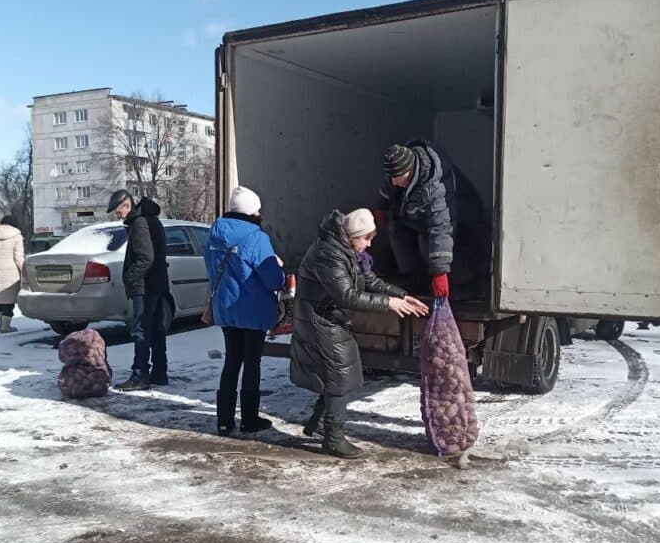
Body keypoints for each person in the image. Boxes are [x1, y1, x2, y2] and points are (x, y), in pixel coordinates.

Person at [291, 209, 428, 459]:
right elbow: (347, 295)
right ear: (352, 236)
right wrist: (388, 304)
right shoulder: (328, 253)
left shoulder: (347, 251)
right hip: (318, 320)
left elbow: (369, 281)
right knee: (339, 376)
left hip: (329, 318)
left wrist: (400, 295)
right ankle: (333, 438)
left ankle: (319, 423)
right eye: (366, 238)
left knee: (338, 373)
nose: (369, 243)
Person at [206, 186, 286, 437]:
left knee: (231, 362)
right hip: (253, 310)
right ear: (252, 210)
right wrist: (280, 267)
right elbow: (274, 280)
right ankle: (249, 419)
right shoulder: (256, 237)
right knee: (252, 363)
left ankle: (224, 420)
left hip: (225, 308)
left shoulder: (214, 233)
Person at [377, 141, 483, 300]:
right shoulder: (396, 172)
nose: (394, 182)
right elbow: (386, 196)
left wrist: (439, 273)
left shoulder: (437, 184)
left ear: (411, 170)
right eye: (391, 177)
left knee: (428, 240)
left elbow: (440, 227)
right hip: (422, 217)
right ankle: (414, 280)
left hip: (462, 216)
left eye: (398, 178)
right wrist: (379, 213)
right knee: (396, 229)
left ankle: (461, 284)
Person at [107, 189, 169, 391]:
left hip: (145, 285)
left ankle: (140, 374)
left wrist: (129, 277)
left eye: (118, 211)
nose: (118, 215)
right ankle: (159, 373)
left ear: (127, 205)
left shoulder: (139, 223)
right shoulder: (151, 220)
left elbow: (146, 257)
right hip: (158, 283)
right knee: (156, 329)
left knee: (141, 330)